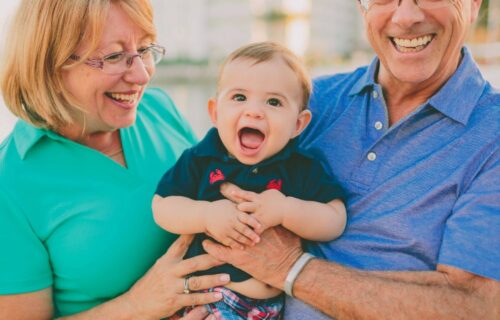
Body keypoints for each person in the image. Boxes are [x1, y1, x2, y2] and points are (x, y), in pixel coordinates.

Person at [202, 0, 500, 319]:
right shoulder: (306, 104)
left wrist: (289, 268)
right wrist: (151, 298)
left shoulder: (492, 134)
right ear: (362, 8)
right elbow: (202, 188)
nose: (406, 16)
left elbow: (474, 306)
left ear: (472, 5)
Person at [0, 1, 231, 319]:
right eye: (113, 56)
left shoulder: (159, 109)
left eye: (145, 49)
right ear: (52, 62)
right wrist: (138, 306)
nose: (141, 74)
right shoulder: (10, 182)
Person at [153, 42, 347, 319]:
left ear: (298, 124)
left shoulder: (301, 167)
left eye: (274, 102)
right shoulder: (202, 157)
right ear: (215, 113)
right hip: (207, 299)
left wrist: (285, 209)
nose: (254, 111)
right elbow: (162, 206)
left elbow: (334, 219)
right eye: (239, 98)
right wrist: (206, 214)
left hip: (266, 308)